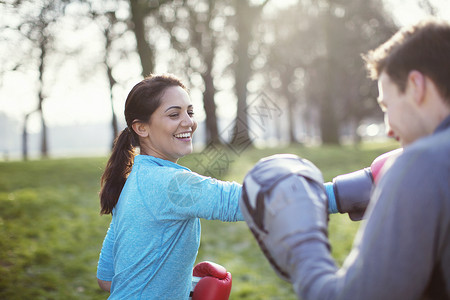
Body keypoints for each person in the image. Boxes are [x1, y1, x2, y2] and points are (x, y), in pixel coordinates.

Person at [239, 18, 450, 299]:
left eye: (386, 105)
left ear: (415, 85)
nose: (388, 128)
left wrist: (303, 249)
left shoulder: (422, 164)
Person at [96, 74, 242, 299]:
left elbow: (107, 280)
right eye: (174, 114)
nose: (189, 122)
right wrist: (314, 194)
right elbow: (238, 202)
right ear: (141, 128)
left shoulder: (133, 180)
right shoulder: (168, 183)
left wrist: (185, 283)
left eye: (190, 112)